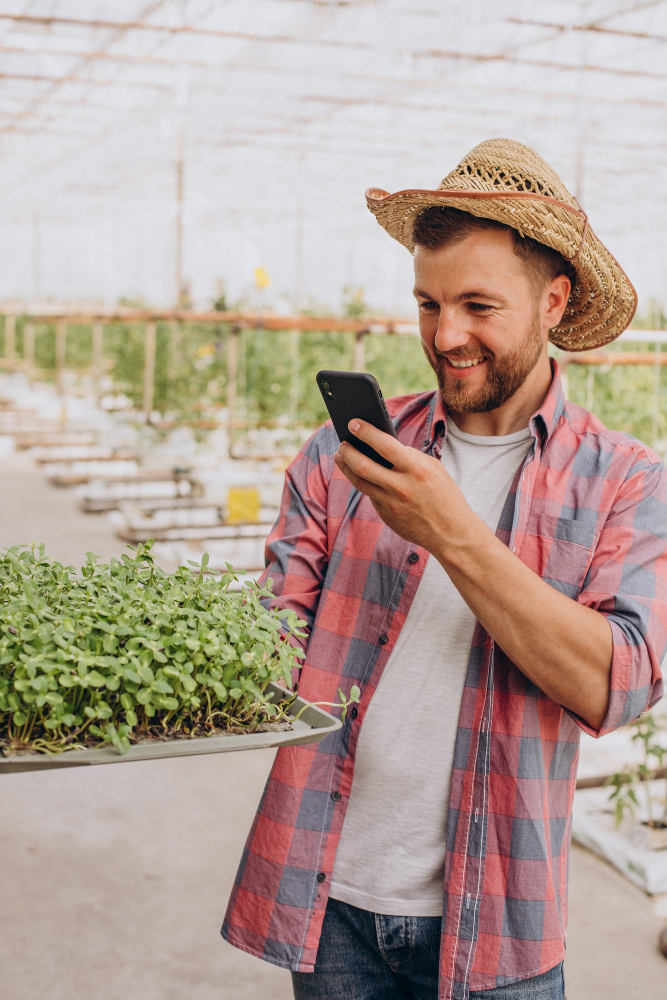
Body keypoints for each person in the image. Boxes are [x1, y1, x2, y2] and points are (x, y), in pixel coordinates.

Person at [221, 138, 667, 1000]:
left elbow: (617, 683)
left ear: (553, 299)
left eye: (476, 305)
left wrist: (453, 532)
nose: (445, 335)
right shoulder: (343, 456)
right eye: (427, 303)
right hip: (330, 902)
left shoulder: (625, 482)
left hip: (498, 919)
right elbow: (266, 648)